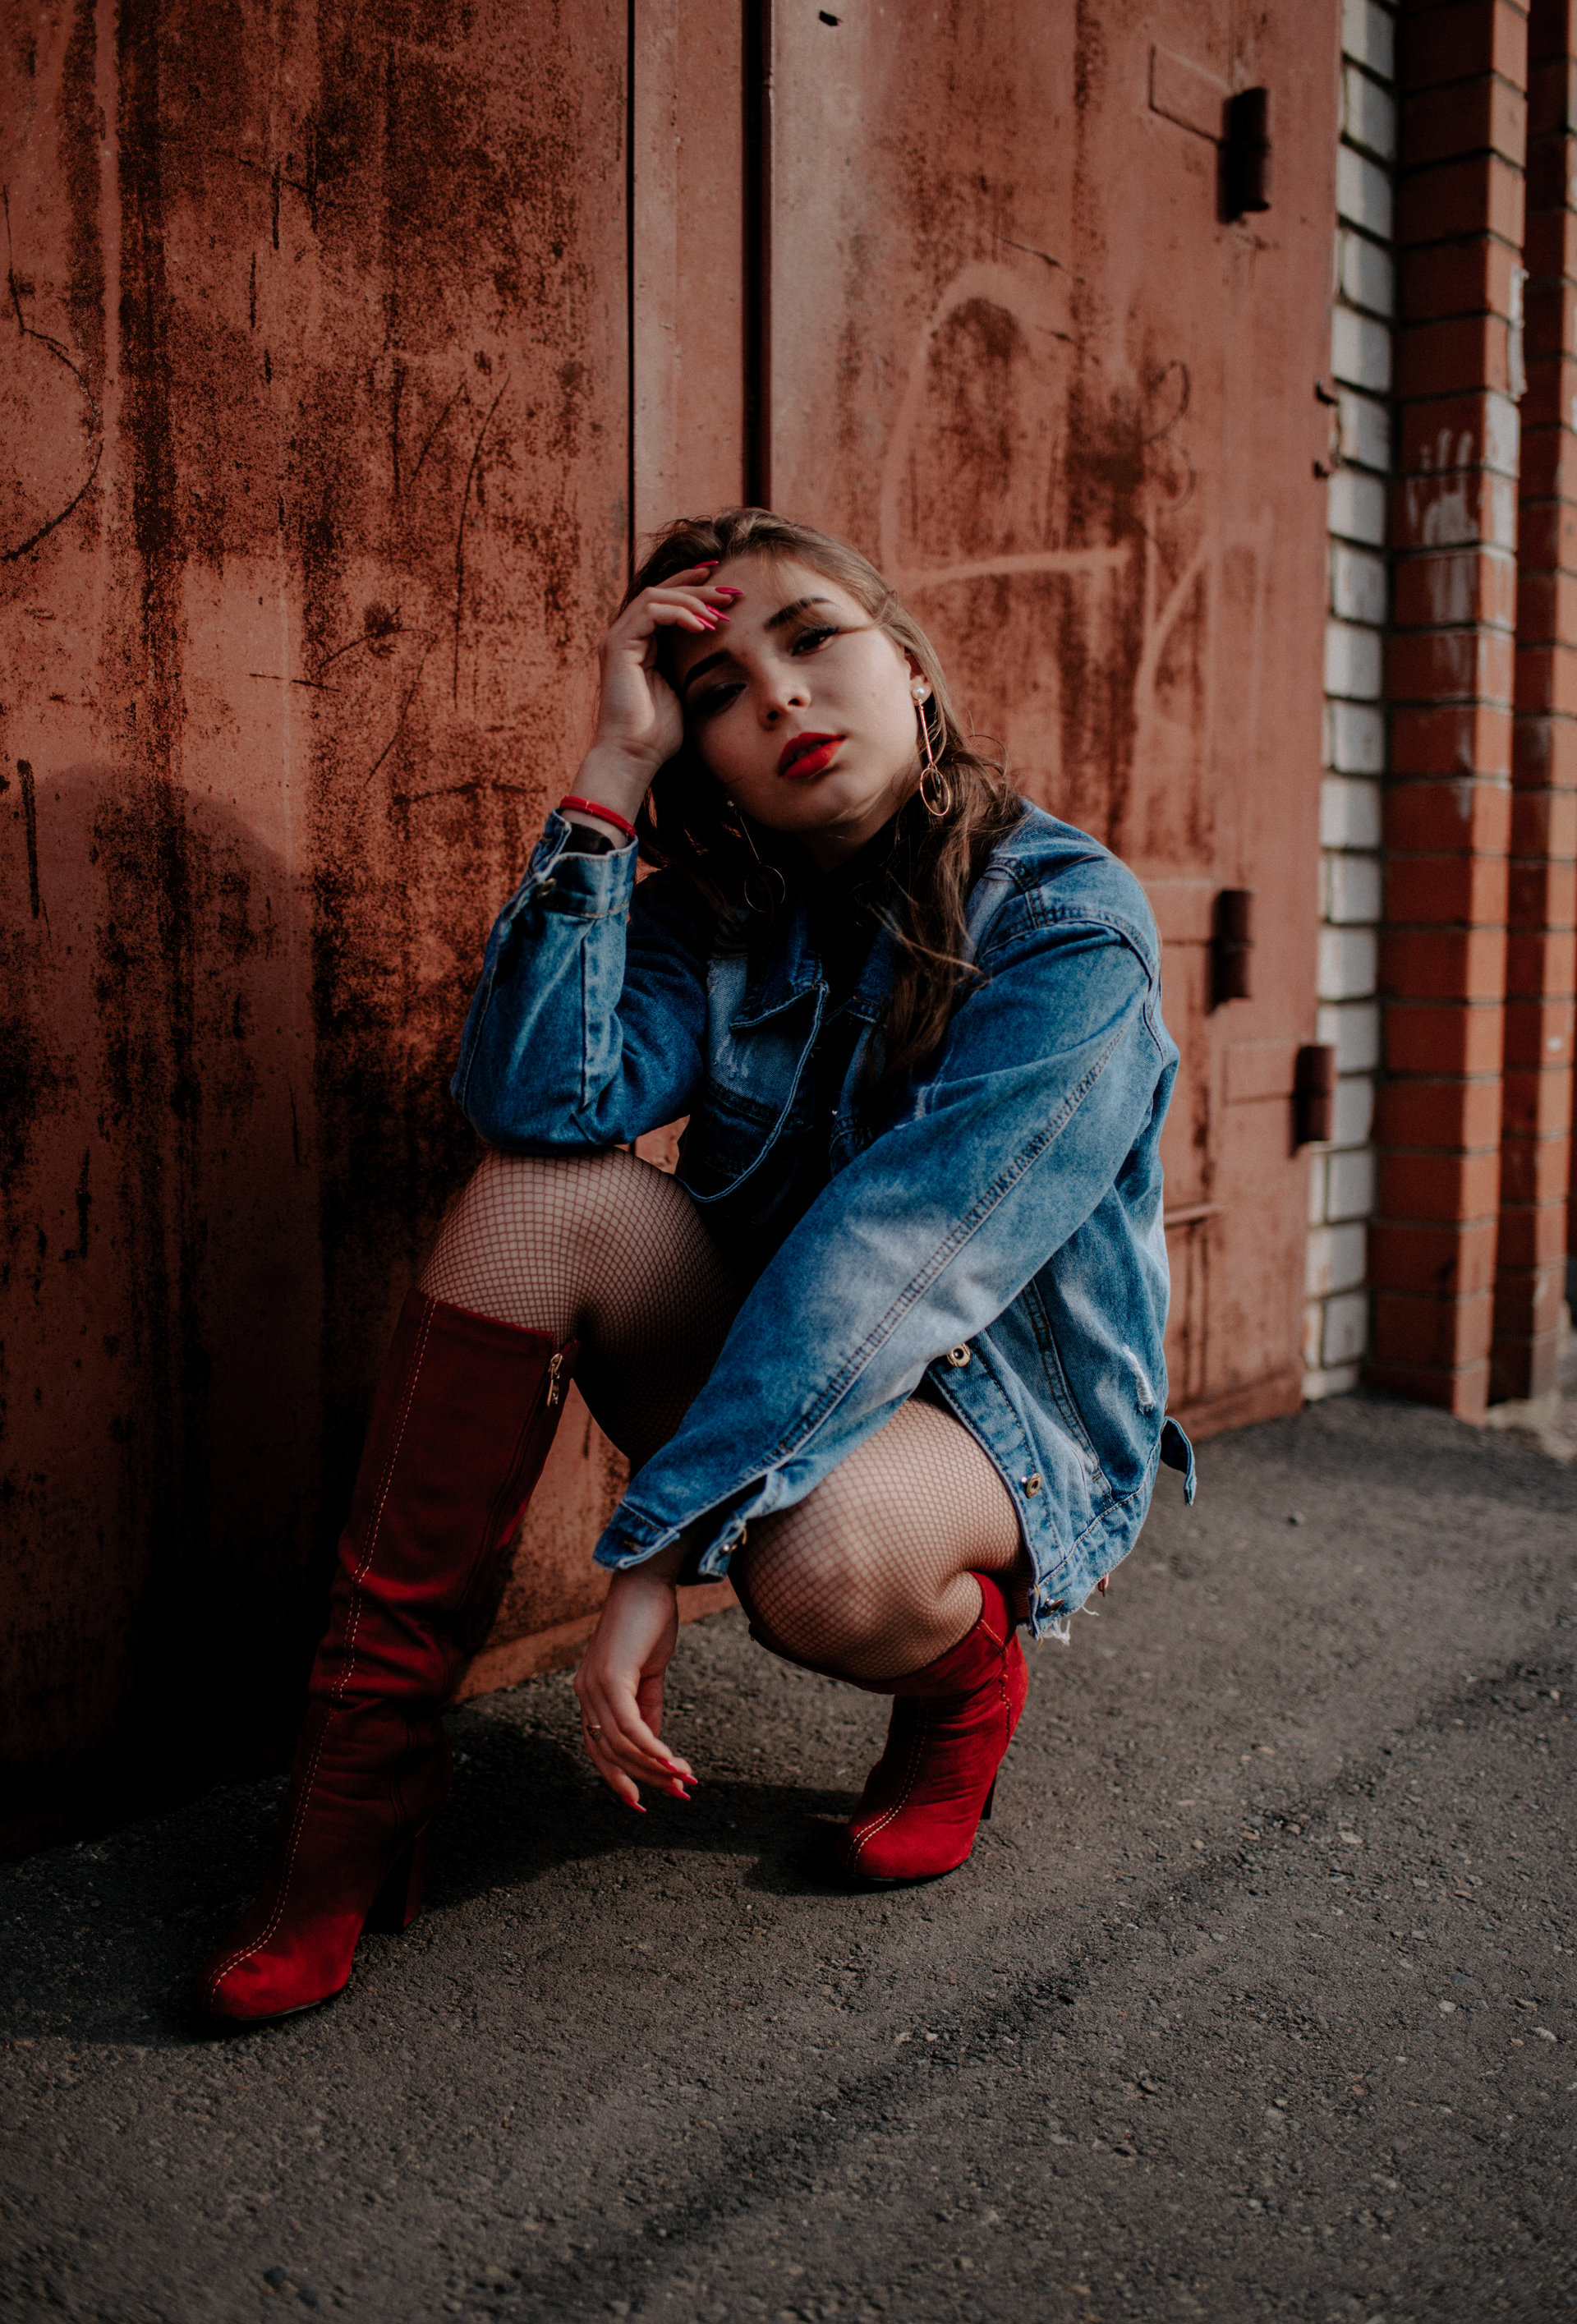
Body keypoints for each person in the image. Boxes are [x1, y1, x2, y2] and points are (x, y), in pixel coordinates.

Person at [199, 508, 1193, 2025]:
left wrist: (651, 1558)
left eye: (814, 639)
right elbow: (535, 1102)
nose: (779, 695)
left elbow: (898, 1258)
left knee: (819, 1565)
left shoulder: (1066, 926)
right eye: (718, 689)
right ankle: (358, 1785)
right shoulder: (717, 916)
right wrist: (610, 777)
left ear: (911, 669)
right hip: (780, 1360)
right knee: (538, 1195)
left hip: (998, 1415)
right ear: (704, 752)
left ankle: (964, 1685)